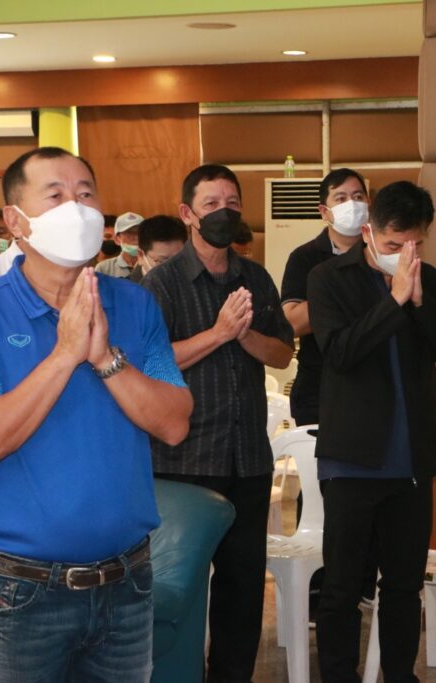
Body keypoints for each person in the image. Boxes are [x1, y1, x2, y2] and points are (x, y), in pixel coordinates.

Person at [0, 146, 193, 682]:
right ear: (16, 221)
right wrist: (63, 354)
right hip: (20, 589)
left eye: (85, 194)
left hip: (127, 580)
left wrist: (105, 359)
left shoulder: (134, 304)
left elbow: (174, 423)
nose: (76, 208)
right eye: (55, 196)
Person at [308, 180, 436, 683]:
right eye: (394, 244)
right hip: (351, 460)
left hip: (412, 463)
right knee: (341, 587)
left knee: (403, 586)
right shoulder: (329, 278)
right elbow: (340, 353)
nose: (405, 254)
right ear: (369, 233)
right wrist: (394, 300)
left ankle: (400, 675)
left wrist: (419, 301)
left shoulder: (430, 279)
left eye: (415, 244)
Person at [142, 164, 294, 683]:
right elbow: (149, 363)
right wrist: (219, 332)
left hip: (247, 457)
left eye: (232, 203)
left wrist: (245, 335)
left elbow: (281, 353)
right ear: (188, 214)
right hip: (183, 458)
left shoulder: (256, 278)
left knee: (242, 589)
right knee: (179, 586)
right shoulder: (161, 283)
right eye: (211, 204)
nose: (223, 213)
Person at [281, 167, 368, 426]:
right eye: (341, 198)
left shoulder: (383, 254)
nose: (352, 204)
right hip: (319, 391)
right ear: (324, 211)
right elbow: (291, 324)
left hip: (373, 389)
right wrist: (338, 284)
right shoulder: (304, 257)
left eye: (358, 197)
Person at [128, 214, 187, 284]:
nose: (173, 268)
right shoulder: (125, 288)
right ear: (140, 256)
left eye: (178, 259)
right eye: (163, 261)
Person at [96, 212, 143, 278]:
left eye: (140, 232)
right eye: (129, 232)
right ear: (117, 239)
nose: (136, 237)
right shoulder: (104, 268)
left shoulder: (153, 264)